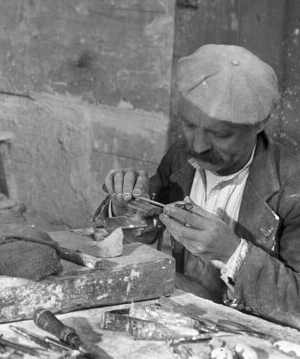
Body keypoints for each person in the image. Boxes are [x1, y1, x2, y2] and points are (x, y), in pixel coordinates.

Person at [102, 44, 300, 330]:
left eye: (220, 134)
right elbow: (139, 242)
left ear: (260, 123)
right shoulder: (181, 157)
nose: (198, 145)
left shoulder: (292, 190)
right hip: (189, 320)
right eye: (190, 125)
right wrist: (127, 210)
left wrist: (233, 253)